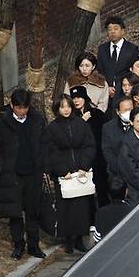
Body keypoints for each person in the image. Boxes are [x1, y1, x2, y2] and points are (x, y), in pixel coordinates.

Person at [0, 89, 47, 260]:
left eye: (25, 107)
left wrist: (42, 165)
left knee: (32, 211)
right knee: (14, 212)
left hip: (33, 173)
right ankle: (18, 245)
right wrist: (2, 169)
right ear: (12, 106)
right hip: (12, 174)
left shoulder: (37, 120)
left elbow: (44, 144)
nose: (22, 111)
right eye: (18, 107)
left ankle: (34, 245)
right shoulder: (1, 122)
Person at [44, 94, 96, 254]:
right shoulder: (52, 128)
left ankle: (80, 238)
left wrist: (84, 166)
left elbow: (90, 145)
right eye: (62, 107)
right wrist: (61, 170)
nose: (65, 110)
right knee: (65, 207)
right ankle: (68, 239)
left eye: (68, 106)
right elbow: (50, 151)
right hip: (64, 173)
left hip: (80, 171)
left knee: (81, 206)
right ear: (57, 109)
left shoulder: (81, 123)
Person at [69, 85, 109, 208]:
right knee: (86, 194)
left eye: (79, 97)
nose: (76, 101)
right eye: (74, 98)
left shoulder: (97, 114)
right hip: (82, 161)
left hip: (99, 158)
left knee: (102, 189)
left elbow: (104, 136)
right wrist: (82, 121)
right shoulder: (71, 119)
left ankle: (105, 214)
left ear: (85, 98)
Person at [97, 16, 139, 91]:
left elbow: (134, 72)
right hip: (106, 89)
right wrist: (107, 87)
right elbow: (100, 71)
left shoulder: (132, 49)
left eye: (116, 28)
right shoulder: (102, 49)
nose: (112, 31)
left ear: (123, 31)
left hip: (125, 89)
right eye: (109, 29)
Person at [102, 96, 133, 196]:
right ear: (118, 111)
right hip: (117, 174)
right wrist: (121, 168)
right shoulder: (108, 128)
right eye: (125, 110)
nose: (128, 112)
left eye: (130, 109)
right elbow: (107, 151)